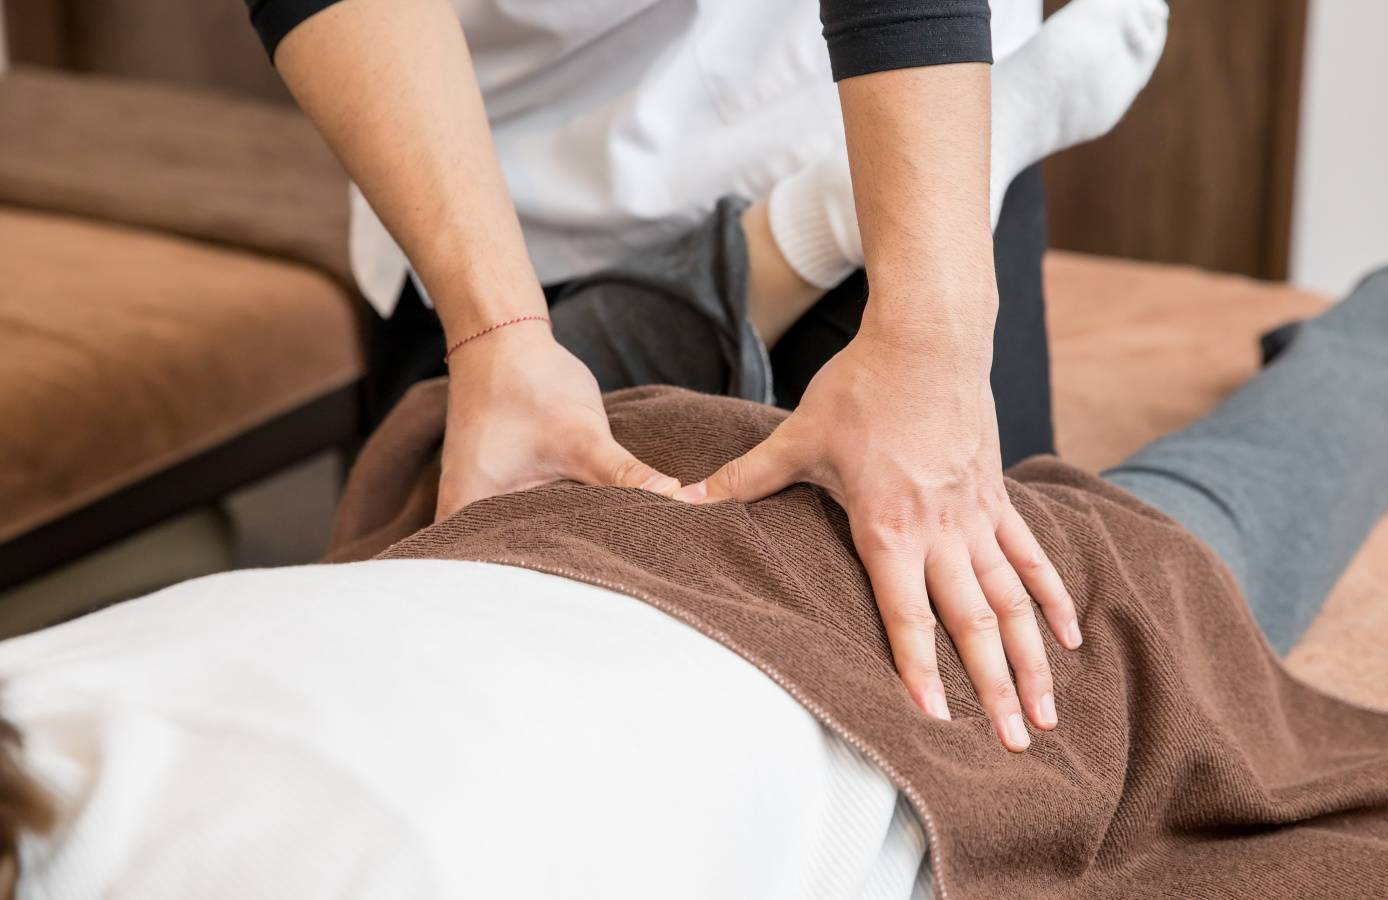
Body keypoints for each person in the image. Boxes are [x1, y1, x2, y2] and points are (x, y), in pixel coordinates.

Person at [0, 265, 1388, 899]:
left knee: (1173, 553)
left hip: (726, 593)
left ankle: (1379, 337)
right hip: (551, 524)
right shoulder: (37, 700)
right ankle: (742, 304)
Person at [244, 0, 1169, 743]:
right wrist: (497, 331)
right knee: (1028, 704)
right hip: (483, 146)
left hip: (883, 97)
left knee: (995, 634)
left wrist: (932, 342)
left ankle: (864, 201)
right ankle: (825, 221)